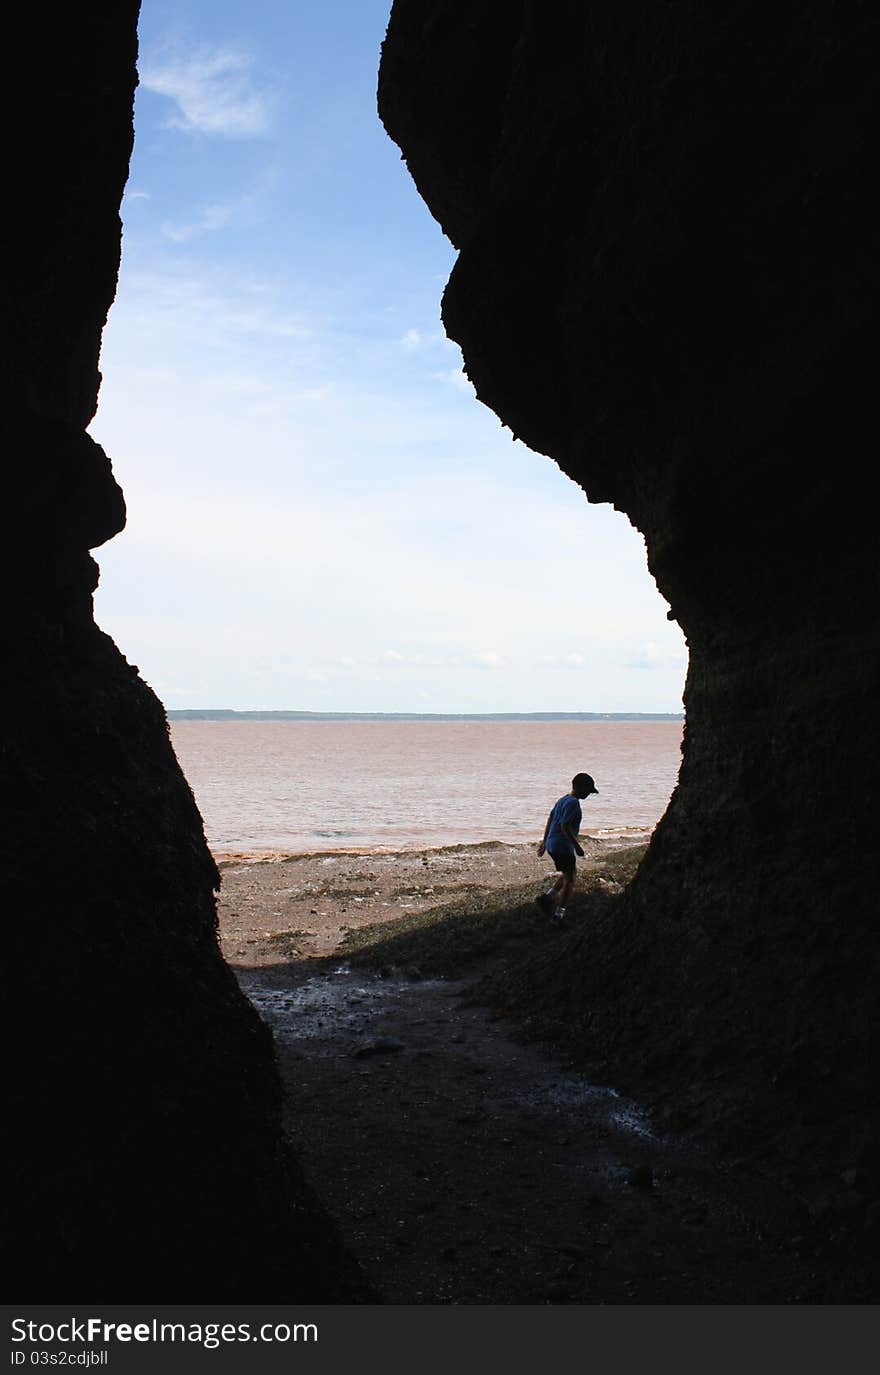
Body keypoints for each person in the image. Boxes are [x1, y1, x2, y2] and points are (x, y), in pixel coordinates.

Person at [536, 772, 599, 923]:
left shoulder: (562, 800)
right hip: (562, 845)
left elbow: (551, 818)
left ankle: (548, 897)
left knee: (568, 872)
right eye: (588, 791)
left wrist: (545, 842)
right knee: (570, 879)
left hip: (552, 843)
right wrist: (577, 846)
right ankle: (559, 915)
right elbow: (564, 826)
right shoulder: (573, 803)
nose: (588, 794)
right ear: (581, 788)